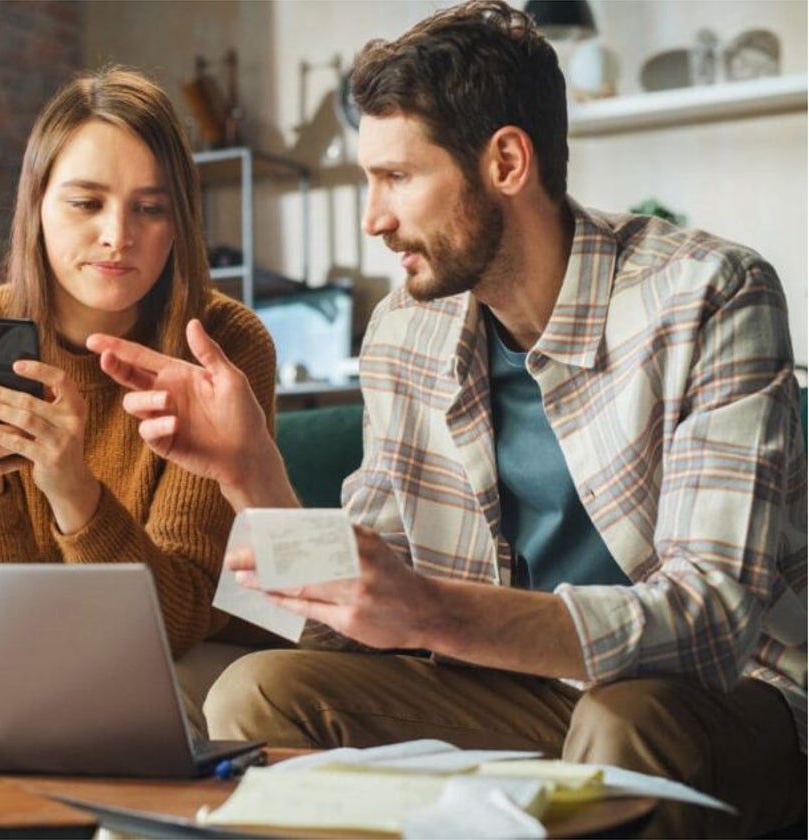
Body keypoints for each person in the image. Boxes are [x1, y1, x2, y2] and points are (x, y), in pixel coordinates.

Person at [88, 2, 806, 836]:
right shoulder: (407, 329)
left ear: (505, 160)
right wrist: (253, 473)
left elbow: (711, 617)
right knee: (259, 690)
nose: (373, 218)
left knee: (622, 722)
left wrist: (433, 611)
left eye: (397, 177)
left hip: (725, 700)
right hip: (516, 695)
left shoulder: (710, 294)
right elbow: (350, 627)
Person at [0, 67, 276, 661]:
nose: (117, 235)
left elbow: (179, 617)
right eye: (86, 202)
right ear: (37, 204)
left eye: (150, 209)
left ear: (179, 222)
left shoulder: (226, 341)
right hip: (12, 658)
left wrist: (75, 491)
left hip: (178, 660)